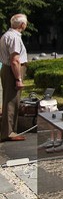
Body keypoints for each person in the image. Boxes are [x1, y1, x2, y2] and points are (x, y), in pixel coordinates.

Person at [1, 14, 29, 142]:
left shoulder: (7, 35)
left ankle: (9, 130)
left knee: (9, 99)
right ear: (22, 25)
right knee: (12, 101)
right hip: (13, 71)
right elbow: (15, 60)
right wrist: (18, 79)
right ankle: (9, 132)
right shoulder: (14, 38)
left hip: (7, 69)